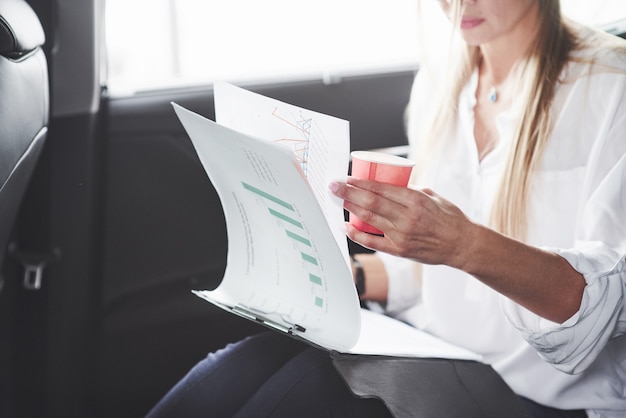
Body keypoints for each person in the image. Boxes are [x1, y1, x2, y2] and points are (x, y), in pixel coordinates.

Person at [147, 0, 626, 417]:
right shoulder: (441, 83)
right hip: (435, 350)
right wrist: (334, 279)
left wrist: (463, 243)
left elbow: (607, 300)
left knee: (309, 392)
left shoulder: (611, 87)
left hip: (543, 397)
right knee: (242, 364)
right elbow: (432, 281)